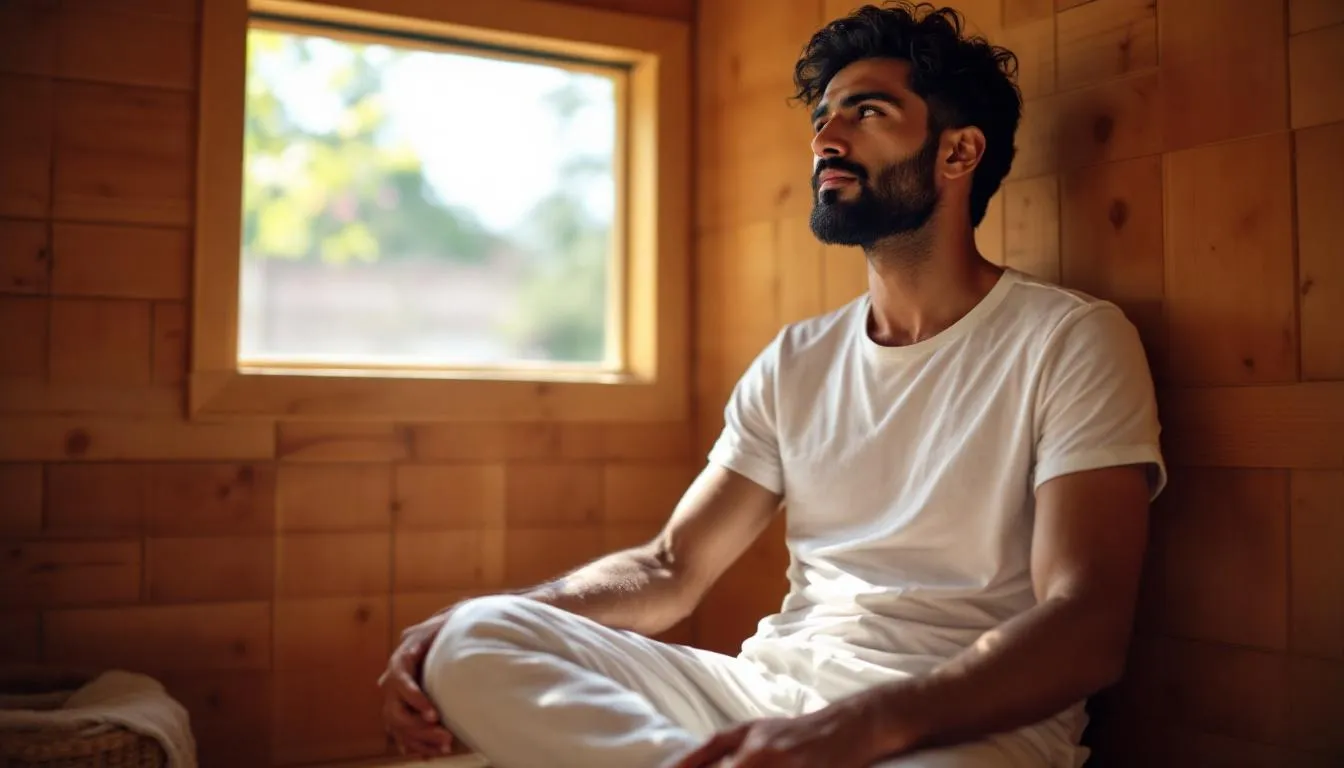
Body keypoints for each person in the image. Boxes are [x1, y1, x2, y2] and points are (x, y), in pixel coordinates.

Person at [377, 3, 1166, 766]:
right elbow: (668, 570)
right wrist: (480, 621)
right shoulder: (796, 360)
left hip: (954, 730)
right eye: (824, 116)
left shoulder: (1070, 340)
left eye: (867, 112)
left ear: (958, 153)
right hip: (764, 695)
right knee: (477, 636)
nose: (826, 136)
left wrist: (864, 728)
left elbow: (1085, 623)